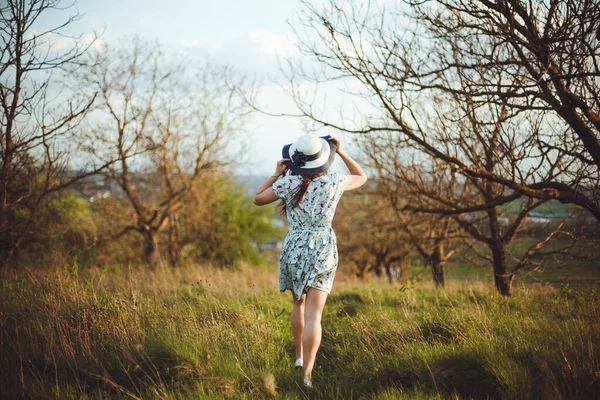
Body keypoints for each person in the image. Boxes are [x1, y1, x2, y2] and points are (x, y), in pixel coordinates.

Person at [253, 134, 367, 389]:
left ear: (295, 161)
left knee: (298, 304)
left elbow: (257, 198)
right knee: (315, 315)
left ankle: (298, 356)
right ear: (323, 160)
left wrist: (275, 174)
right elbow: (362, 177)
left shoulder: (288, 183)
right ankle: (307, 376)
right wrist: (342, 152)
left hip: (295, 246)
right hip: (323, 248)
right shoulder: (335, 182)